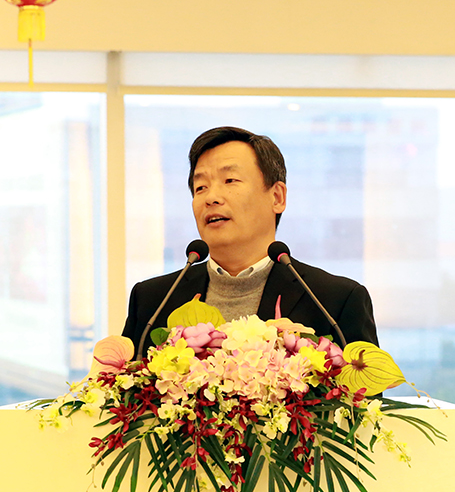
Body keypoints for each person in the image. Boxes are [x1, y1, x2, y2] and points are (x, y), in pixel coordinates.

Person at [121, 126, 377, 350]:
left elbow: (363, 391)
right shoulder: (153, 301)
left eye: (230, 180)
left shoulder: (334, 301)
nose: (211, 197)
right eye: (201, 187)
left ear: (277, 197)